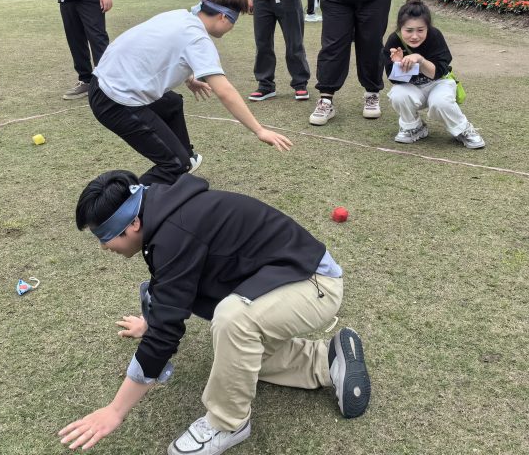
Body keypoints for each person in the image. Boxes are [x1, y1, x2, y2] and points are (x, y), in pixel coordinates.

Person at [58, 170, 371, 455]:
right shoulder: (161, 212)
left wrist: (115, 410)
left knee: (233, 320)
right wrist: (149, 323)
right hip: (289, 276)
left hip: (313, 283)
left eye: (104, 236)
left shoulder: (173, 231)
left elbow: (166, 333)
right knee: (237, 364)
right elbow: (168, 287)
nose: (103, 247)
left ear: (134, 223)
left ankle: (228, 423)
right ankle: (326, 360)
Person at [88, 0, 293, 185]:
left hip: (103, 82)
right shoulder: (197, 39)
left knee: (172, 103)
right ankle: (123, 206)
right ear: (223, 17)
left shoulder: (180, 17)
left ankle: (186, 159)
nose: (232, 28)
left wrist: (189, 78)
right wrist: (259, 130)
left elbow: (163, 50)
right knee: (174, 164)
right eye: (234, 21)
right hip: (115, 99)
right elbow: (225, 91)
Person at [384, 0, 485, 149]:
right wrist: (399, 65)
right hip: (413, 87)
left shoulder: (435, 36)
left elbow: (436, 73)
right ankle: (414, 128)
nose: (415, 36)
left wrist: (420, 59)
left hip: (439, 83)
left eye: (420, 30)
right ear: (400, 28)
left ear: (427, 28)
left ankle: (463, 129)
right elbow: (395, 80)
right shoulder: (394, 40)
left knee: (439, 102)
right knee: (398, 94)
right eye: (408, 30)